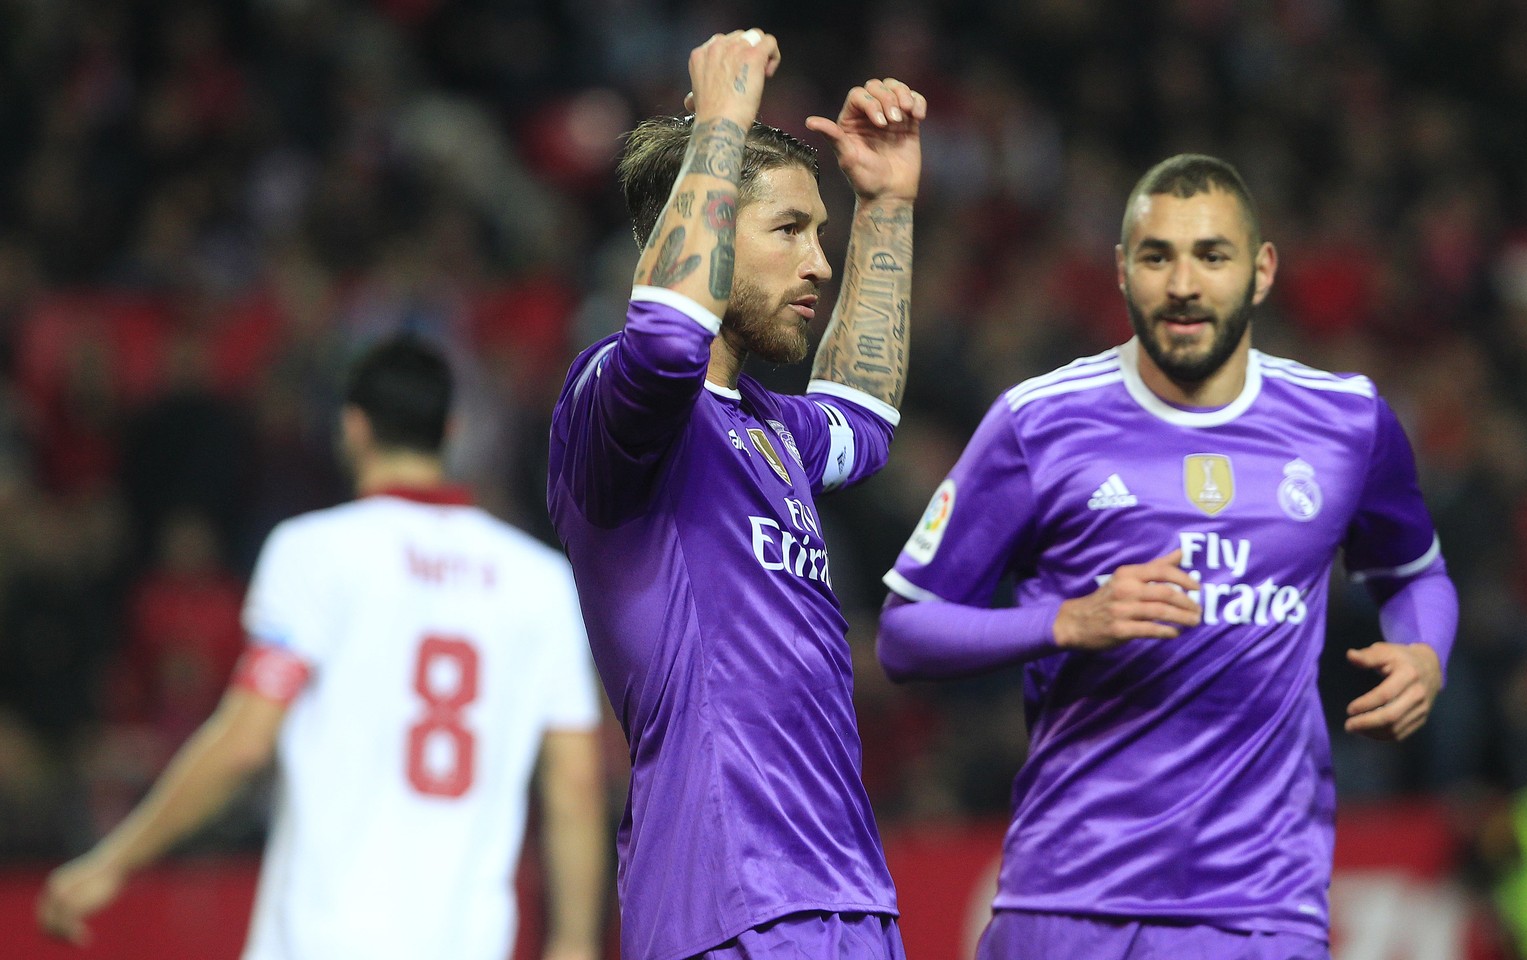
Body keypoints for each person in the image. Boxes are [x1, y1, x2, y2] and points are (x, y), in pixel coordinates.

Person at [878, 154, 1458, 959]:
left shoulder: (1347, 423)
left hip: (1264, 908)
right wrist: (1066, 622)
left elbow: (1415, 574)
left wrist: (1427, 654)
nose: (1183, 283)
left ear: (1261, 272)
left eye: (1211, 255)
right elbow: (905, 634)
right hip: (1067, 899)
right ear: (1121, 271)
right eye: (1158, 257)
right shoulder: (1037, 423)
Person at [39, 335, 607, 960]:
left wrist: (113, 861)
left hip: (322, 936)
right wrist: (575, 943)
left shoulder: (312, 551)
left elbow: (245, 741)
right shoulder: (539, 580)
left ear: (353, 426)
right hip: (466, 941)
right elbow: (575, 782)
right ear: (452, 429)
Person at [547, 28, 922, 960]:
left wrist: (887, 207)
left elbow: (863, 425)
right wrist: (718, 123)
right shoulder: (615, 413)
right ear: (708, 229)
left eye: (820, 235)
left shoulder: (768, 427)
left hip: (845, 892)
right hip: (728, 896)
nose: (818, 265)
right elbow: (671, 342)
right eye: (790, 231)